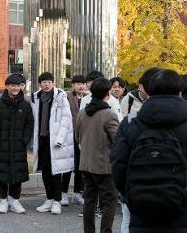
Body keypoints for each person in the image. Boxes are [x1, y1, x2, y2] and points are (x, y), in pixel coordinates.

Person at [111, 69, 187, 233]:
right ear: (180, 90)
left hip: (141, 208)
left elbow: (117, 165)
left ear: (147, 90)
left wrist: (131, 195)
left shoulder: (131, 124)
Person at [115, 67, 161, 233]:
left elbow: (118, 158)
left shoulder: (132, 123)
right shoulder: (129, 100)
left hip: (136, 180)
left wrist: (123, 188)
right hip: (166, 187)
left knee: (130, 221)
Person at [75, 78, 119, 233]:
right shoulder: (109, 115)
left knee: (90, 200)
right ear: (108, 94)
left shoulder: (81, 113)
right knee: (109, 201)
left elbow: (77, 138)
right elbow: (117, 142)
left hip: (85, 164)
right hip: (104, 166)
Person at [0, 74, 34, 214]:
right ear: (7, 86)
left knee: (17, 174)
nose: (15, 88)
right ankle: (3, 200)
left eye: (18, 85)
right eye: (13, 85)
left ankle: (14, 200)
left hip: (18, 146)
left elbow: (29, 124)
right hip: (1, 145)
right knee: (2, 174)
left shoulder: (25, 104)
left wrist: (24, 141)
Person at [31, 72, 74, 215]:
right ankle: (49, 199)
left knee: (55, 171)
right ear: (39, 84)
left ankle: (57, 201)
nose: (46, 84)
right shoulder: (36, 97)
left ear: (53, 83)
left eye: (49, 81)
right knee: (45, 171)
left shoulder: (61, 97)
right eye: (43, 82)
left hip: (55, 141)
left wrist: (60, 139)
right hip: (42, 140)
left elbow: (66, 119)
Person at [62, 75, 87, 206]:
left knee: (80, 166)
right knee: (67, 165)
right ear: (73, 85)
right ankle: (63, 193)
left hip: (83, 136)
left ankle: (77, 193)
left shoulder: (89, 98)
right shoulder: (66, 96)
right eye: (78, 84)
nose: (81, 86)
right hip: (68, 135)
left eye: (83, 83)